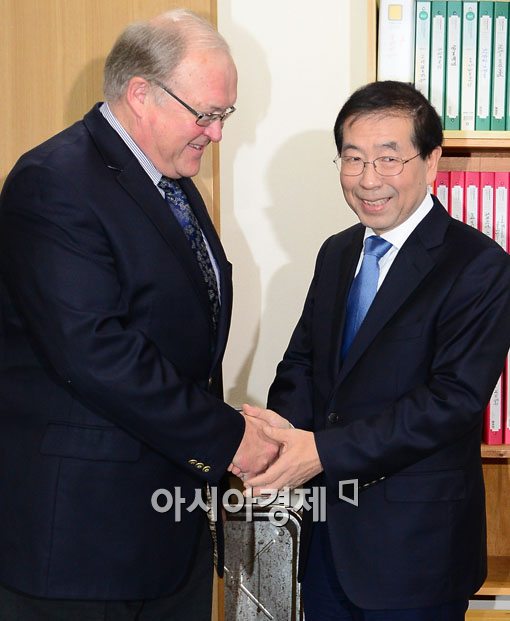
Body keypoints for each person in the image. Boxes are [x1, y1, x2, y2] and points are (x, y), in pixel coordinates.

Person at [0, 9, 278, 621]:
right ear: (141, 93)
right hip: (81, 549)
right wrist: (229, 437)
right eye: (206, 114)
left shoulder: (171, 180)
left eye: (225, 115)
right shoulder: (53, 182)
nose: (217, 133)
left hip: (165, 536)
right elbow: (95, 352)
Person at [241, 81, 510, 620]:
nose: (368, 179)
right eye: (353, 158)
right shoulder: (337, 252)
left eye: (389, 159)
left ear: (431, 162)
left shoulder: (478, 265)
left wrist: (323, 452)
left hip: (416, 549)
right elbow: (303, 362)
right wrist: (280, 434)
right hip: (326, 541)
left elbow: (451, 401)